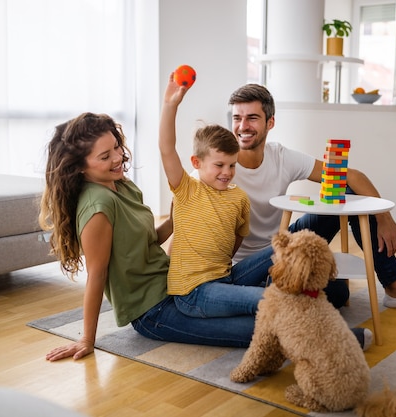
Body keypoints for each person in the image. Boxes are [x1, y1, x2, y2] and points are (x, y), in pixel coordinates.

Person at [38, 111, 274, 362]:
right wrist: (87, 339)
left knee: (282, 251)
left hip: (178, 284)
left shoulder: (121, 184)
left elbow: (146, 242)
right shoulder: (96, 208)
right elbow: (97, 274)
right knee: (265, 325)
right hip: (154, 311)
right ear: (80, 167)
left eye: (116, 147)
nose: (118, 157)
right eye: (105, 156)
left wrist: (174, 222)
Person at [227, 83, 396, 317]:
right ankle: (278, 289)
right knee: (338, 292)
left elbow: (352, 176)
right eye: (237, 118)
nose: (242, 126)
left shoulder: (280, 156)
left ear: (270, 123)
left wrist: (384, 218)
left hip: (281, 242)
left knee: (351, 196)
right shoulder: (221, 163)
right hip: (248, 265)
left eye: (252, 118)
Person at [159, 73, 261, 319]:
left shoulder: (240, 198)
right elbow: (166, 148)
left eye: (232, 165)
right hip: (193, 292)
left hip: (224, 277)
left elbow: (238, 237)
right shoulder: (187, 189)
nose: (227, 172)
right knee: (270, 300)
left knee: (284, 249)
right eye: (219, 165)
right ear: (197, 162)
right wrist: (170, 105)